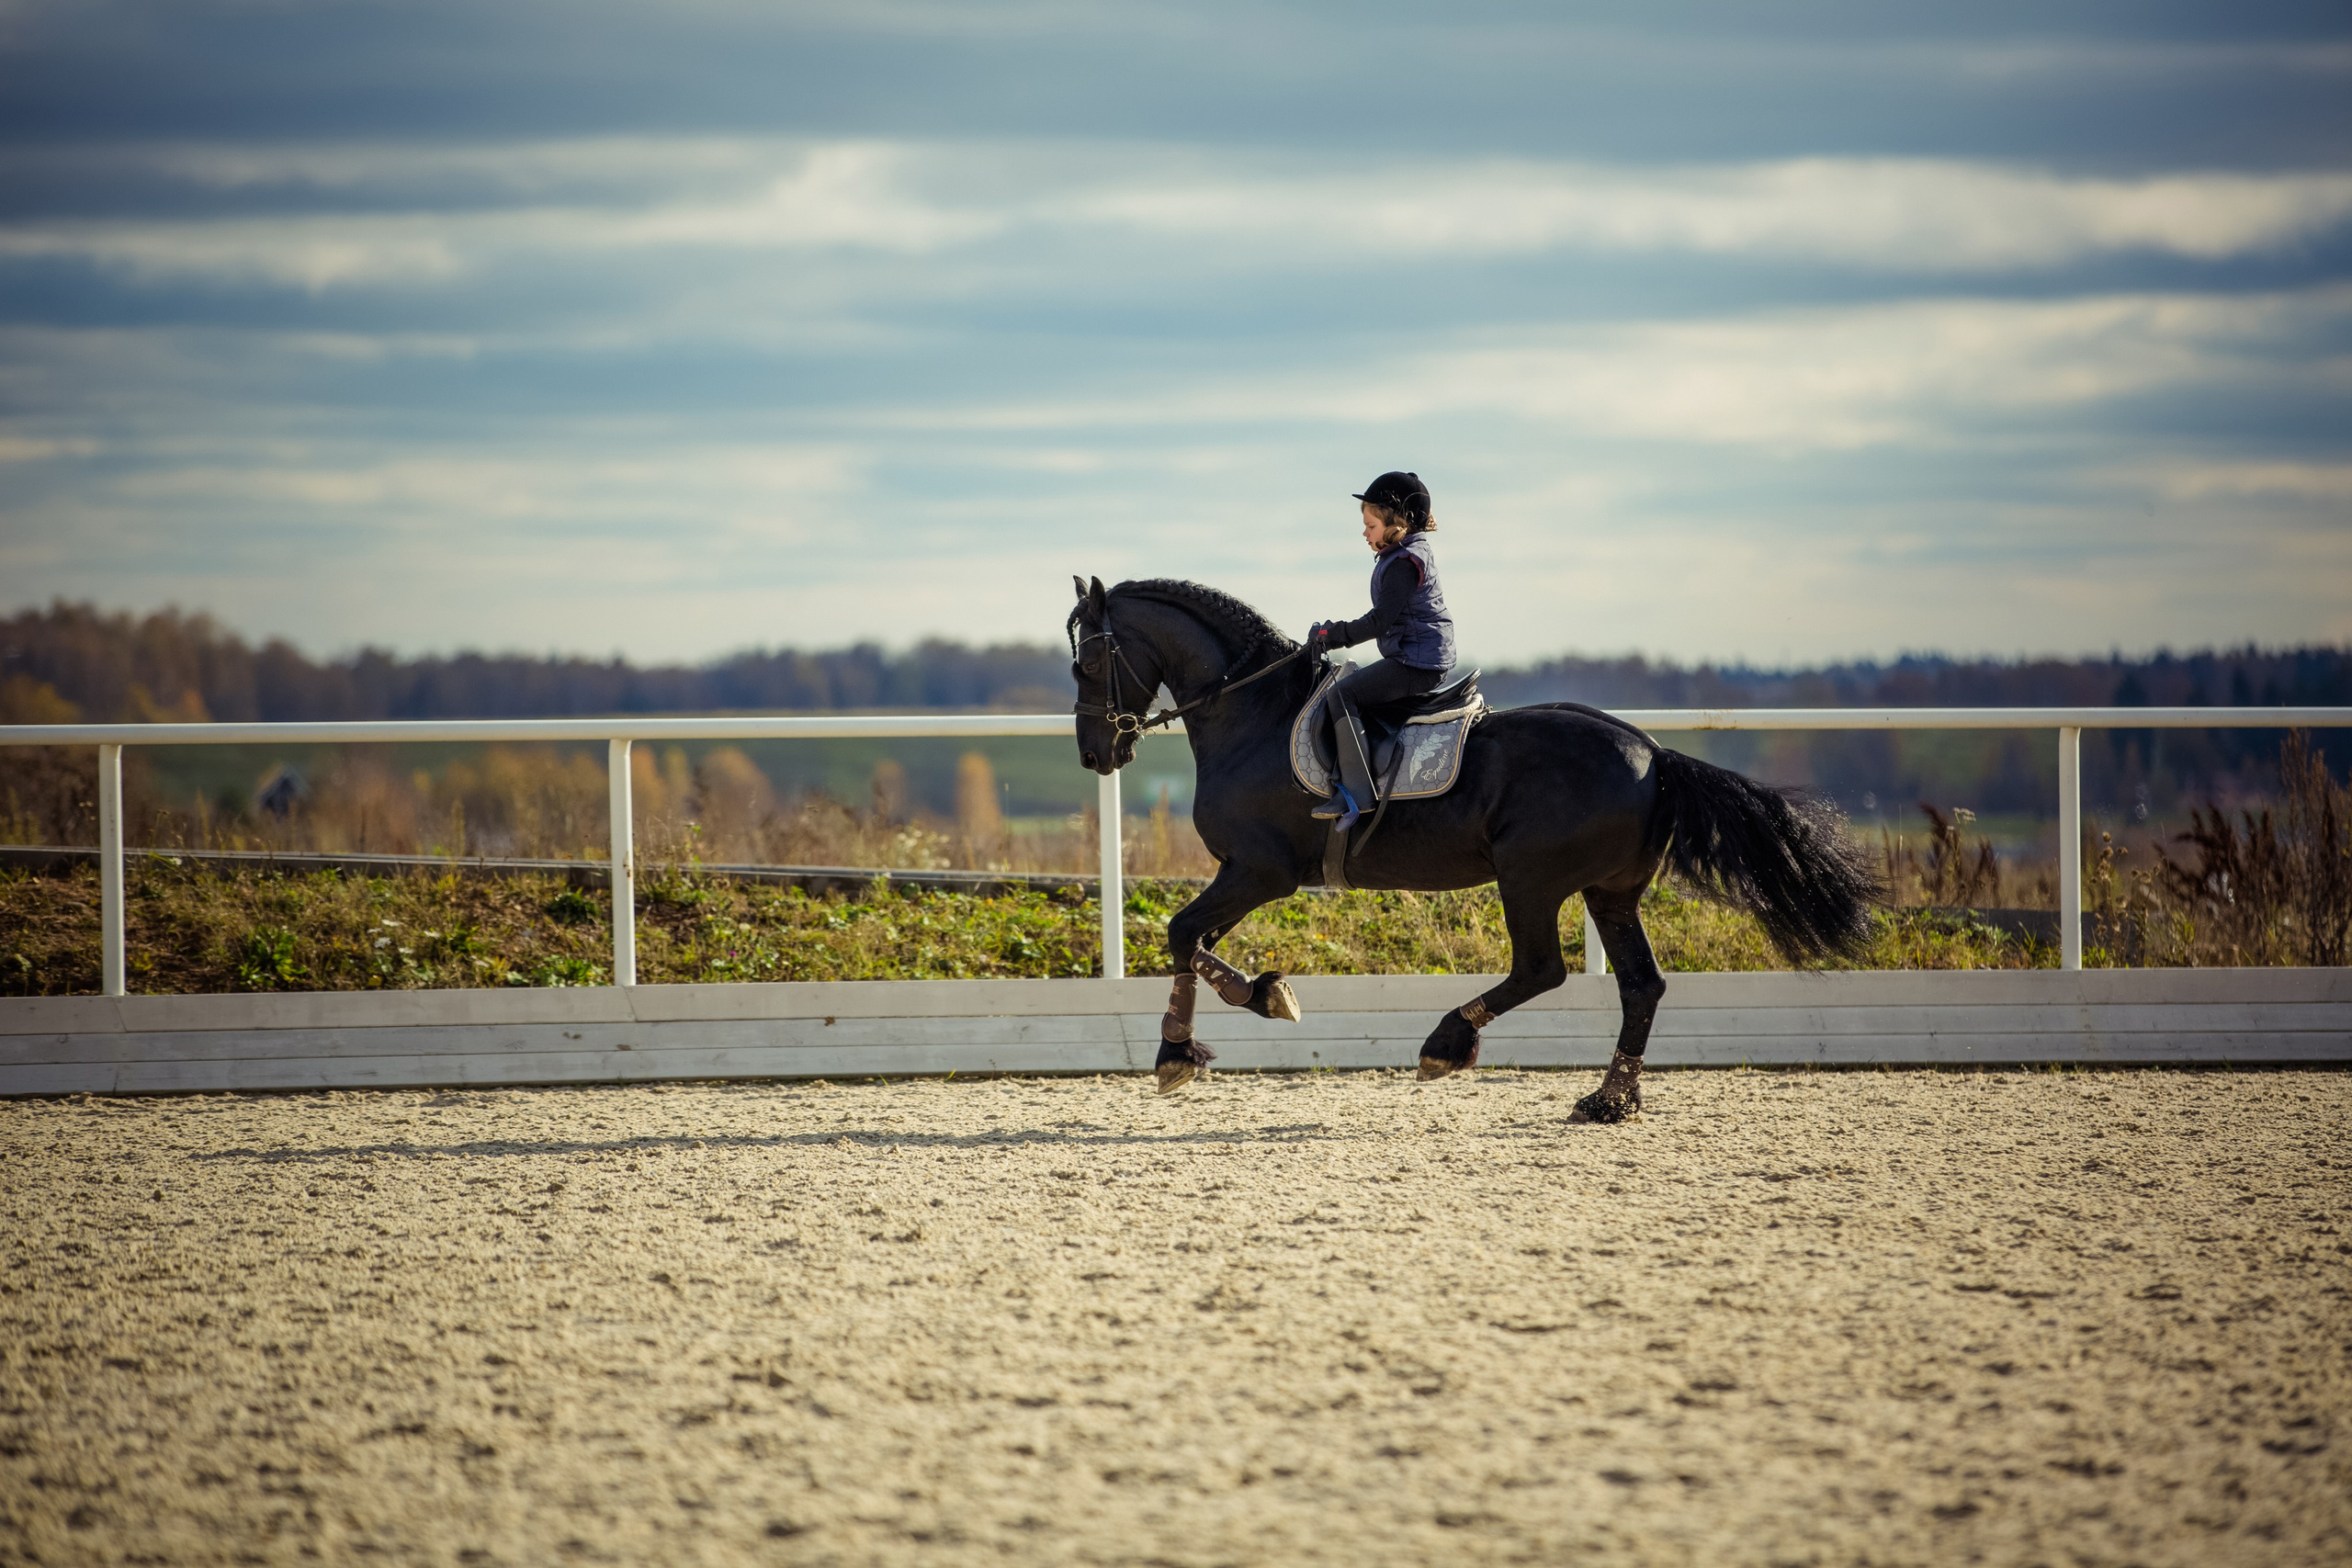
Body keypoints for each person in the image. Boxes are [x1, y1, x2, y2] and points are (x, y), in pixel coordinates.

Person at [1307, 470, 1456, 830]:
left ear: (1396, 522)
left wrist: (1332, 635)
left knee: (1342, 695)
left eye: (1370, 525)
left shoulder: (1404, 563)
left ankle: (1357, 794)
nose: (1365, 533)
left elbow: (1379, 622)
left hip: (1417, 663)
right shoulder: (1403, 554)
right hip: (1417, 656)